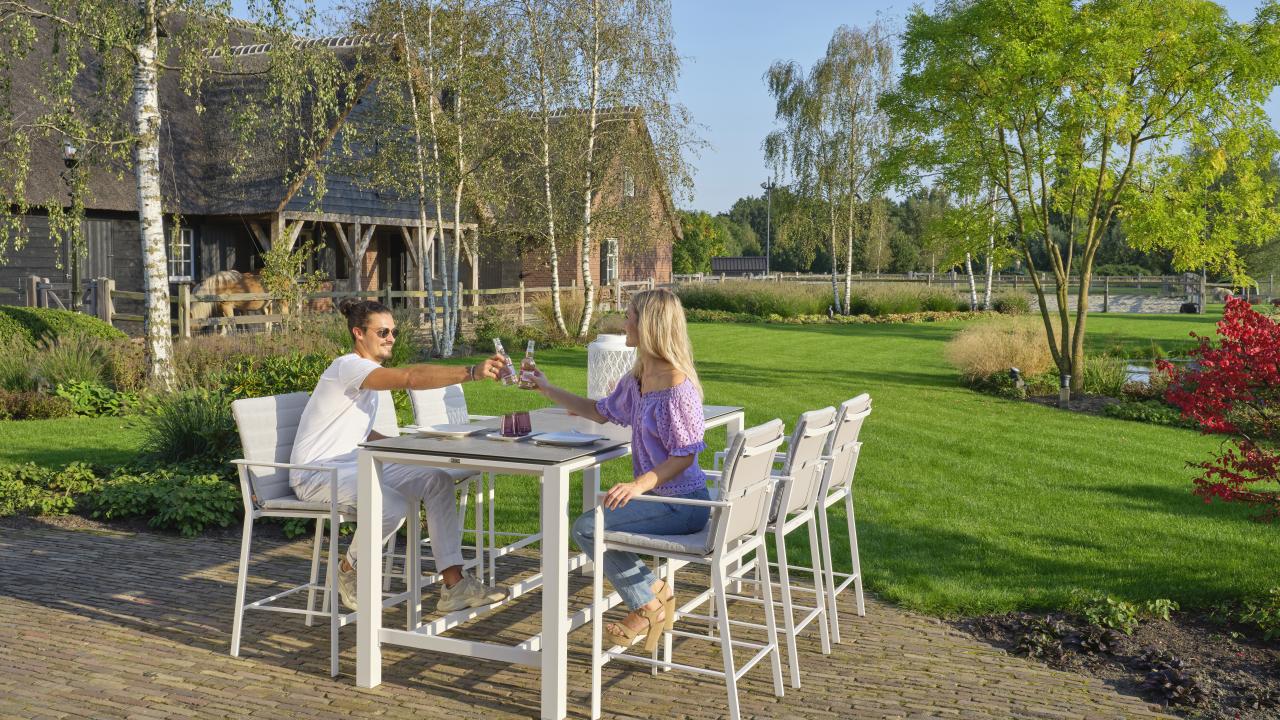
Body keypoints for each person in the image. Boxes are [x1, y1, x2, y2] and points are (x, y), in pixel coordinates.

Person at [290, 298, 508, 613]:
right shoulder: (349, 367)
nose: (391, 338)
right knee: (389, 504)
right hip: (317, 473)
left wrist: (412, 446)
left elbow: (361, 433)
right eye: (383, 332)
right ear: (358, 333)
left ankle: (455, 586)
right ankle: (348, 570)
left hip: (354, 464)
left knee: (436, 480)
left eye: (393, 331)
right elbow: (409, 378)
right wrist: (472, 371)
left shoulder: (365, 374)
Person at [527, 288, 709, 651]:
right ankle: (653, 596)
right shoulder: (638, 380)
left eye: (629, 317)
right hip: (660, 501)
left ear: (650, 326)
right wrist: (546, 388)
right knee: (593, 527)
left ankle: (648, 606)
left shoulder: (678, 387)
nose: (624, 324)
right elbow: (599, 411)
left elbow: (684, 456)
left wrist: (638, 485)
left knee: (588, 527)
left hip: (684, 505)